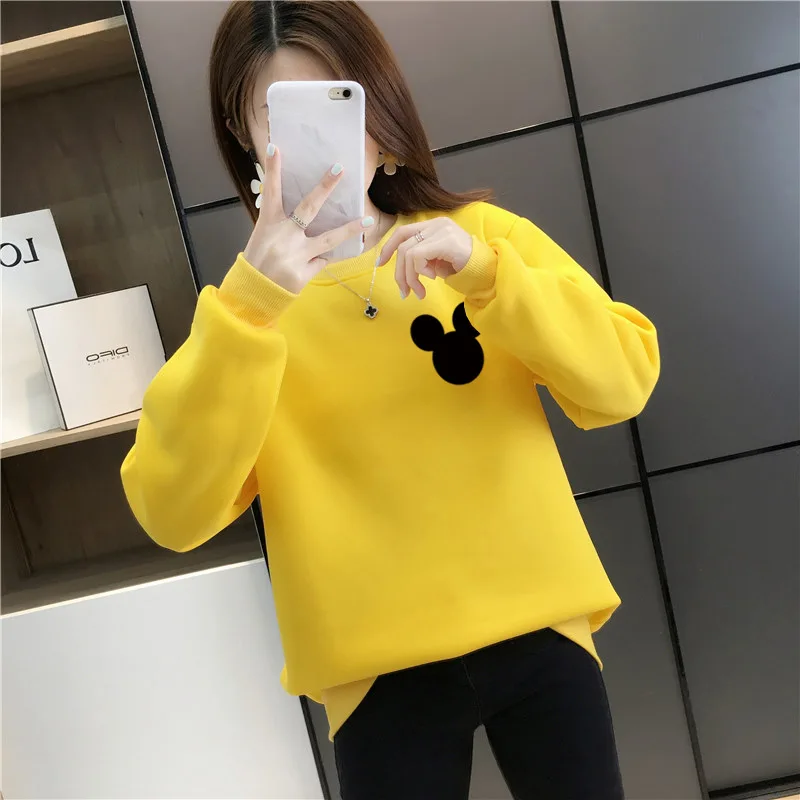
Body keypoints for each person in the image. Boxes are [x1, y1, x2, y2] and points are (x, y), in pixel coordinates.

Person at [121, 2, 660, 798]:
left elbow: (621, 382)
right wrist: (250, 308)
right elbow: (171, 511)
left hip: (539, 630)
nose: (323, 142)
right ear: (245, 139)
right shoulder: (244, 317)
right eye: (282, 116)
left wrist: (487, 274)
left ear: (382, 109)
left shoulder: (481, 240)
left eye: (341, 104)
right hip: (375, 677)